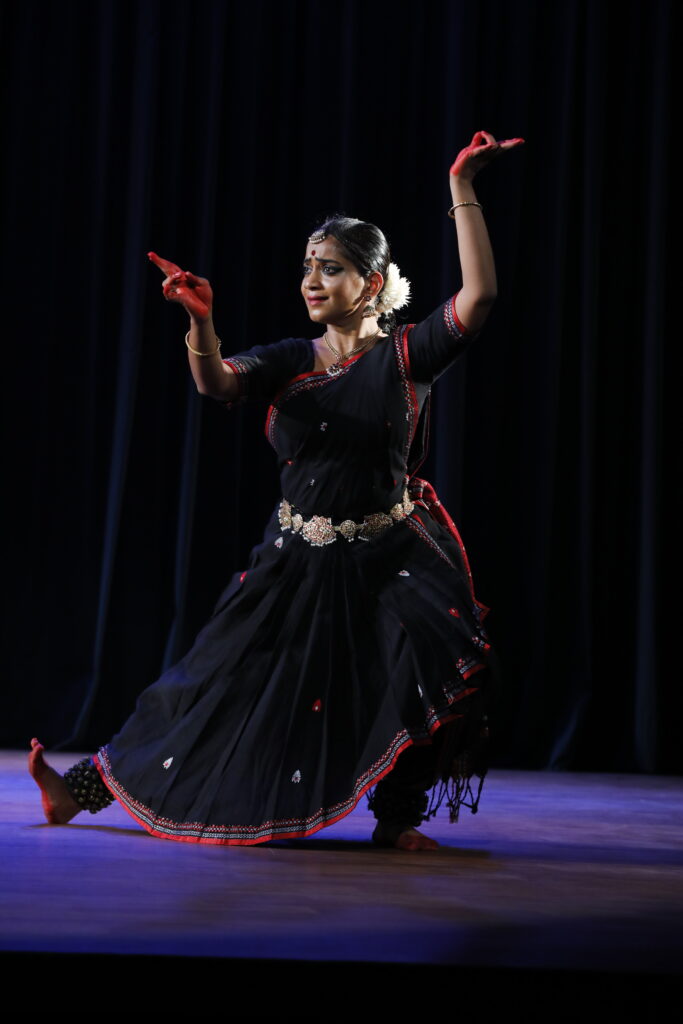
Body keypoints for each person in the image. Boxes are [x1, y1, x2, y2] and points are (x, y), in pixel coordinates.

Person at [29, 131, 523, 851]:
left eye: (332, 268)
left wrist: (462, 186)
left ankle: (397, 821)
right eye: (307, 268)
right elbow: (218, 382)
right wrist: (200, 321)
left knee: (445, 666)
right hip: (294, 558)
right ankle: (77, 793)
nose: (312, 281)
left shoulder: (407, 355)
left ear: (374, 283)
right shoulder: (291, 361)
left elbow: (479, 297)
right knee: (209, 682)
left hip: (389, 555)